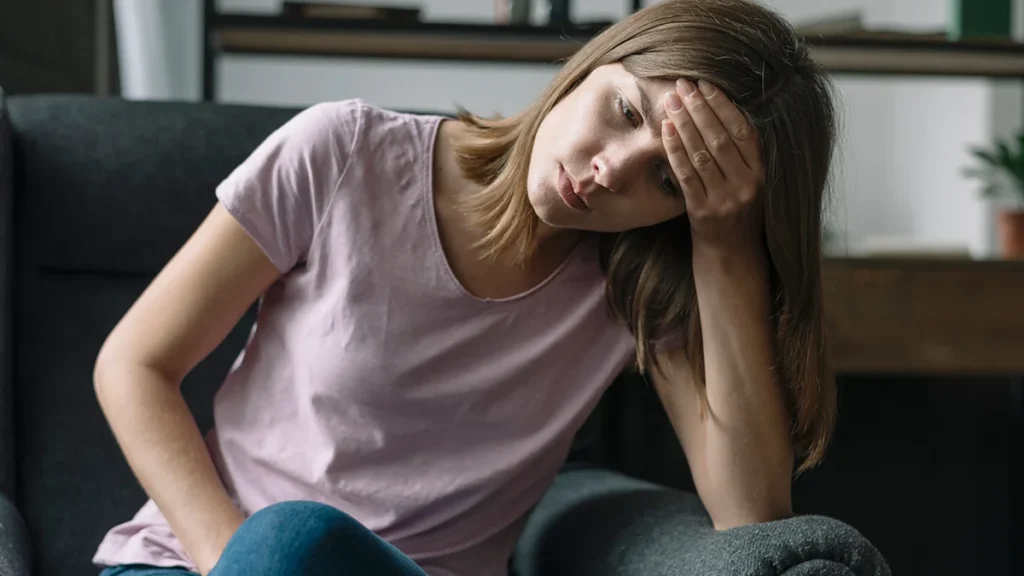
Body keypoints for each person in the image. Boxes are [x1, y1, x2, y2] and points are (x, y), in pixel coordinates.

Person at [91, 0, 839, 575]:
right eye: (625, 112)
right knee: (293, 539)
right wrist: (232, 559)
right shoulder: (344, 153)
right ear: (592, 63)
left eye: (669, 179)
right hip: (191, 562)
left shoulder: (633, 282)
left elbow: (750, 513)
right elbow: (134, 364)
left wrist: (725, 245)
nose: (612, 169)